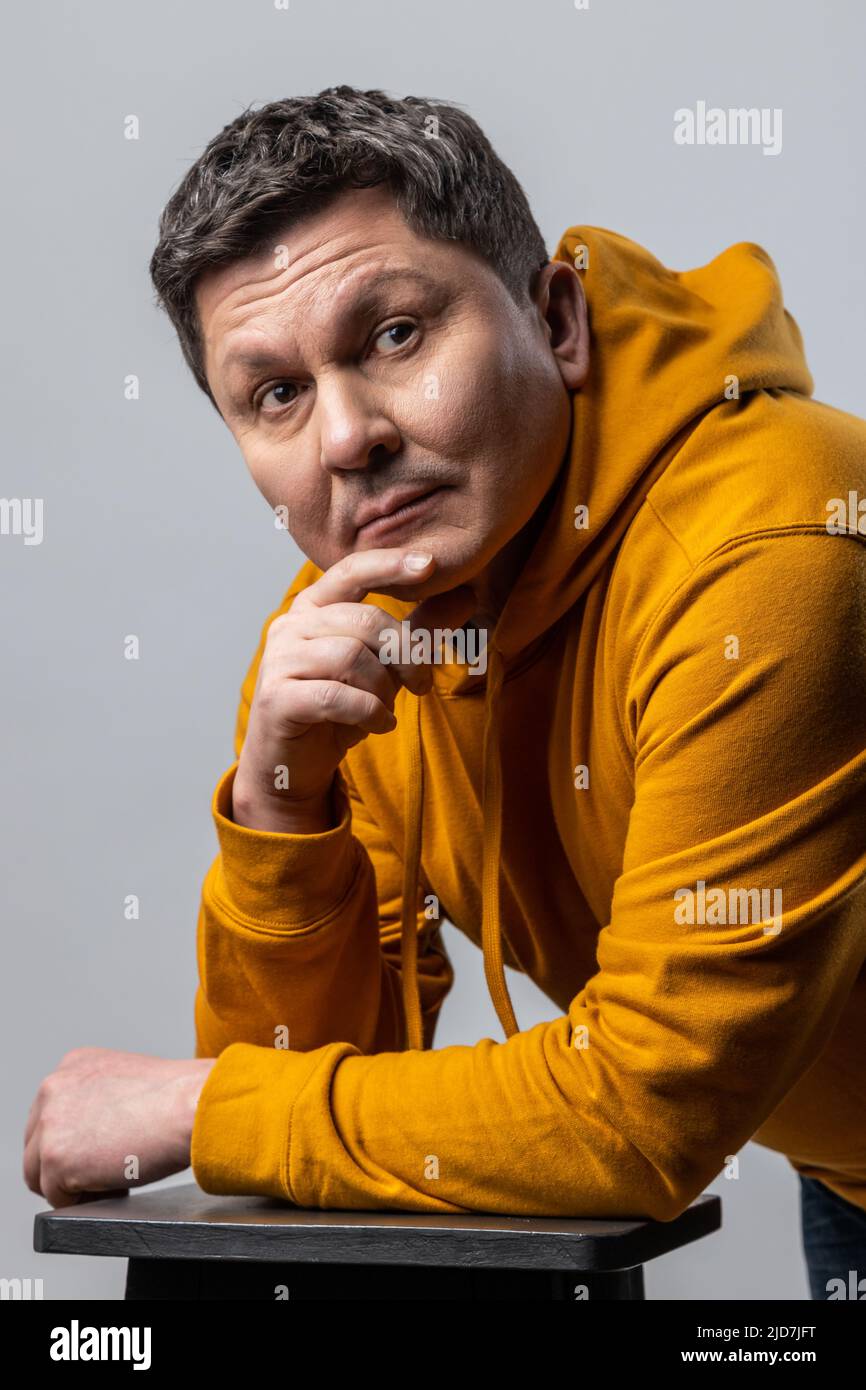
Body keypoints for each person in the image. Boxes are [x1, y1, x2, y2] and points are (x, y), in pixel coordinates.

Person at [23, 86, 866, 1300]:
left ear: (556, 322)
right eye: (275, 393)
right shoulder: (364, 625)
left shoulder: (773, 550)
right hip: (838, 1169)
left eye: (395, 335)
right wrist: (279, 806)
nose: (346, 436)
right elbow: (297, 1122)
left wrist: (198, 1106)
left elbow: (640, 1118)